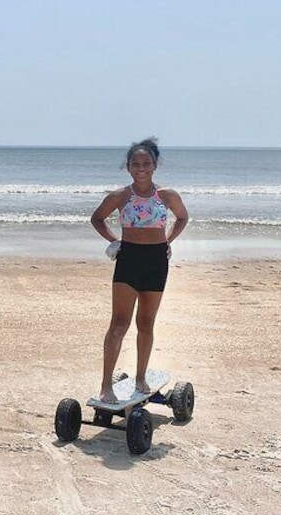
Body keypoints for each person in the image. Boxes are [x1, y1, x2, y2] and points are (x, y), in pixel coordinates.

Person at [90, 138, 189, 403]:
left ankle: (141, 377)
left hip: (157, 261)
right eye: (135, 164)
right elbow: (96, 218)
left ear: (154, 165)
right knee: (119, 324)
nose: (141, 168)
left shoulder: (167, 196)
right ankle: (105, 386)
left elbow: (182, 217)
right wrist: (114, 240)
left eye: (146, 163)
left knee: (146, 323)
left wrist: (168, 240)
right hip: (129, 259)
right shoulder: (121, 196)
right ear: (128, 167)